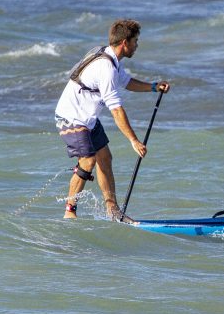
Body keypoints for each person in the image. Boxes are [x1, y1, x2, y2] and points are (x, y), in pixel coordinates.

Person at [55, 19, 170, 221]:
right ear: (125, 42)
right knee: (88, 160)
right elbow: (116, 110)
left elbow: (125, 82)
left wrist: (153, 87)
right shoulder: (105, 67)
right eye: (135, 41)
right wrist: (134, 140)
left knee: (105, 158)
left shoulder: (109, 58)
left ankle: (113, 211)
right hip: (71, 117)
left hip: (88, 118)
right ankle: (69, 212)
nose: (137, 45)